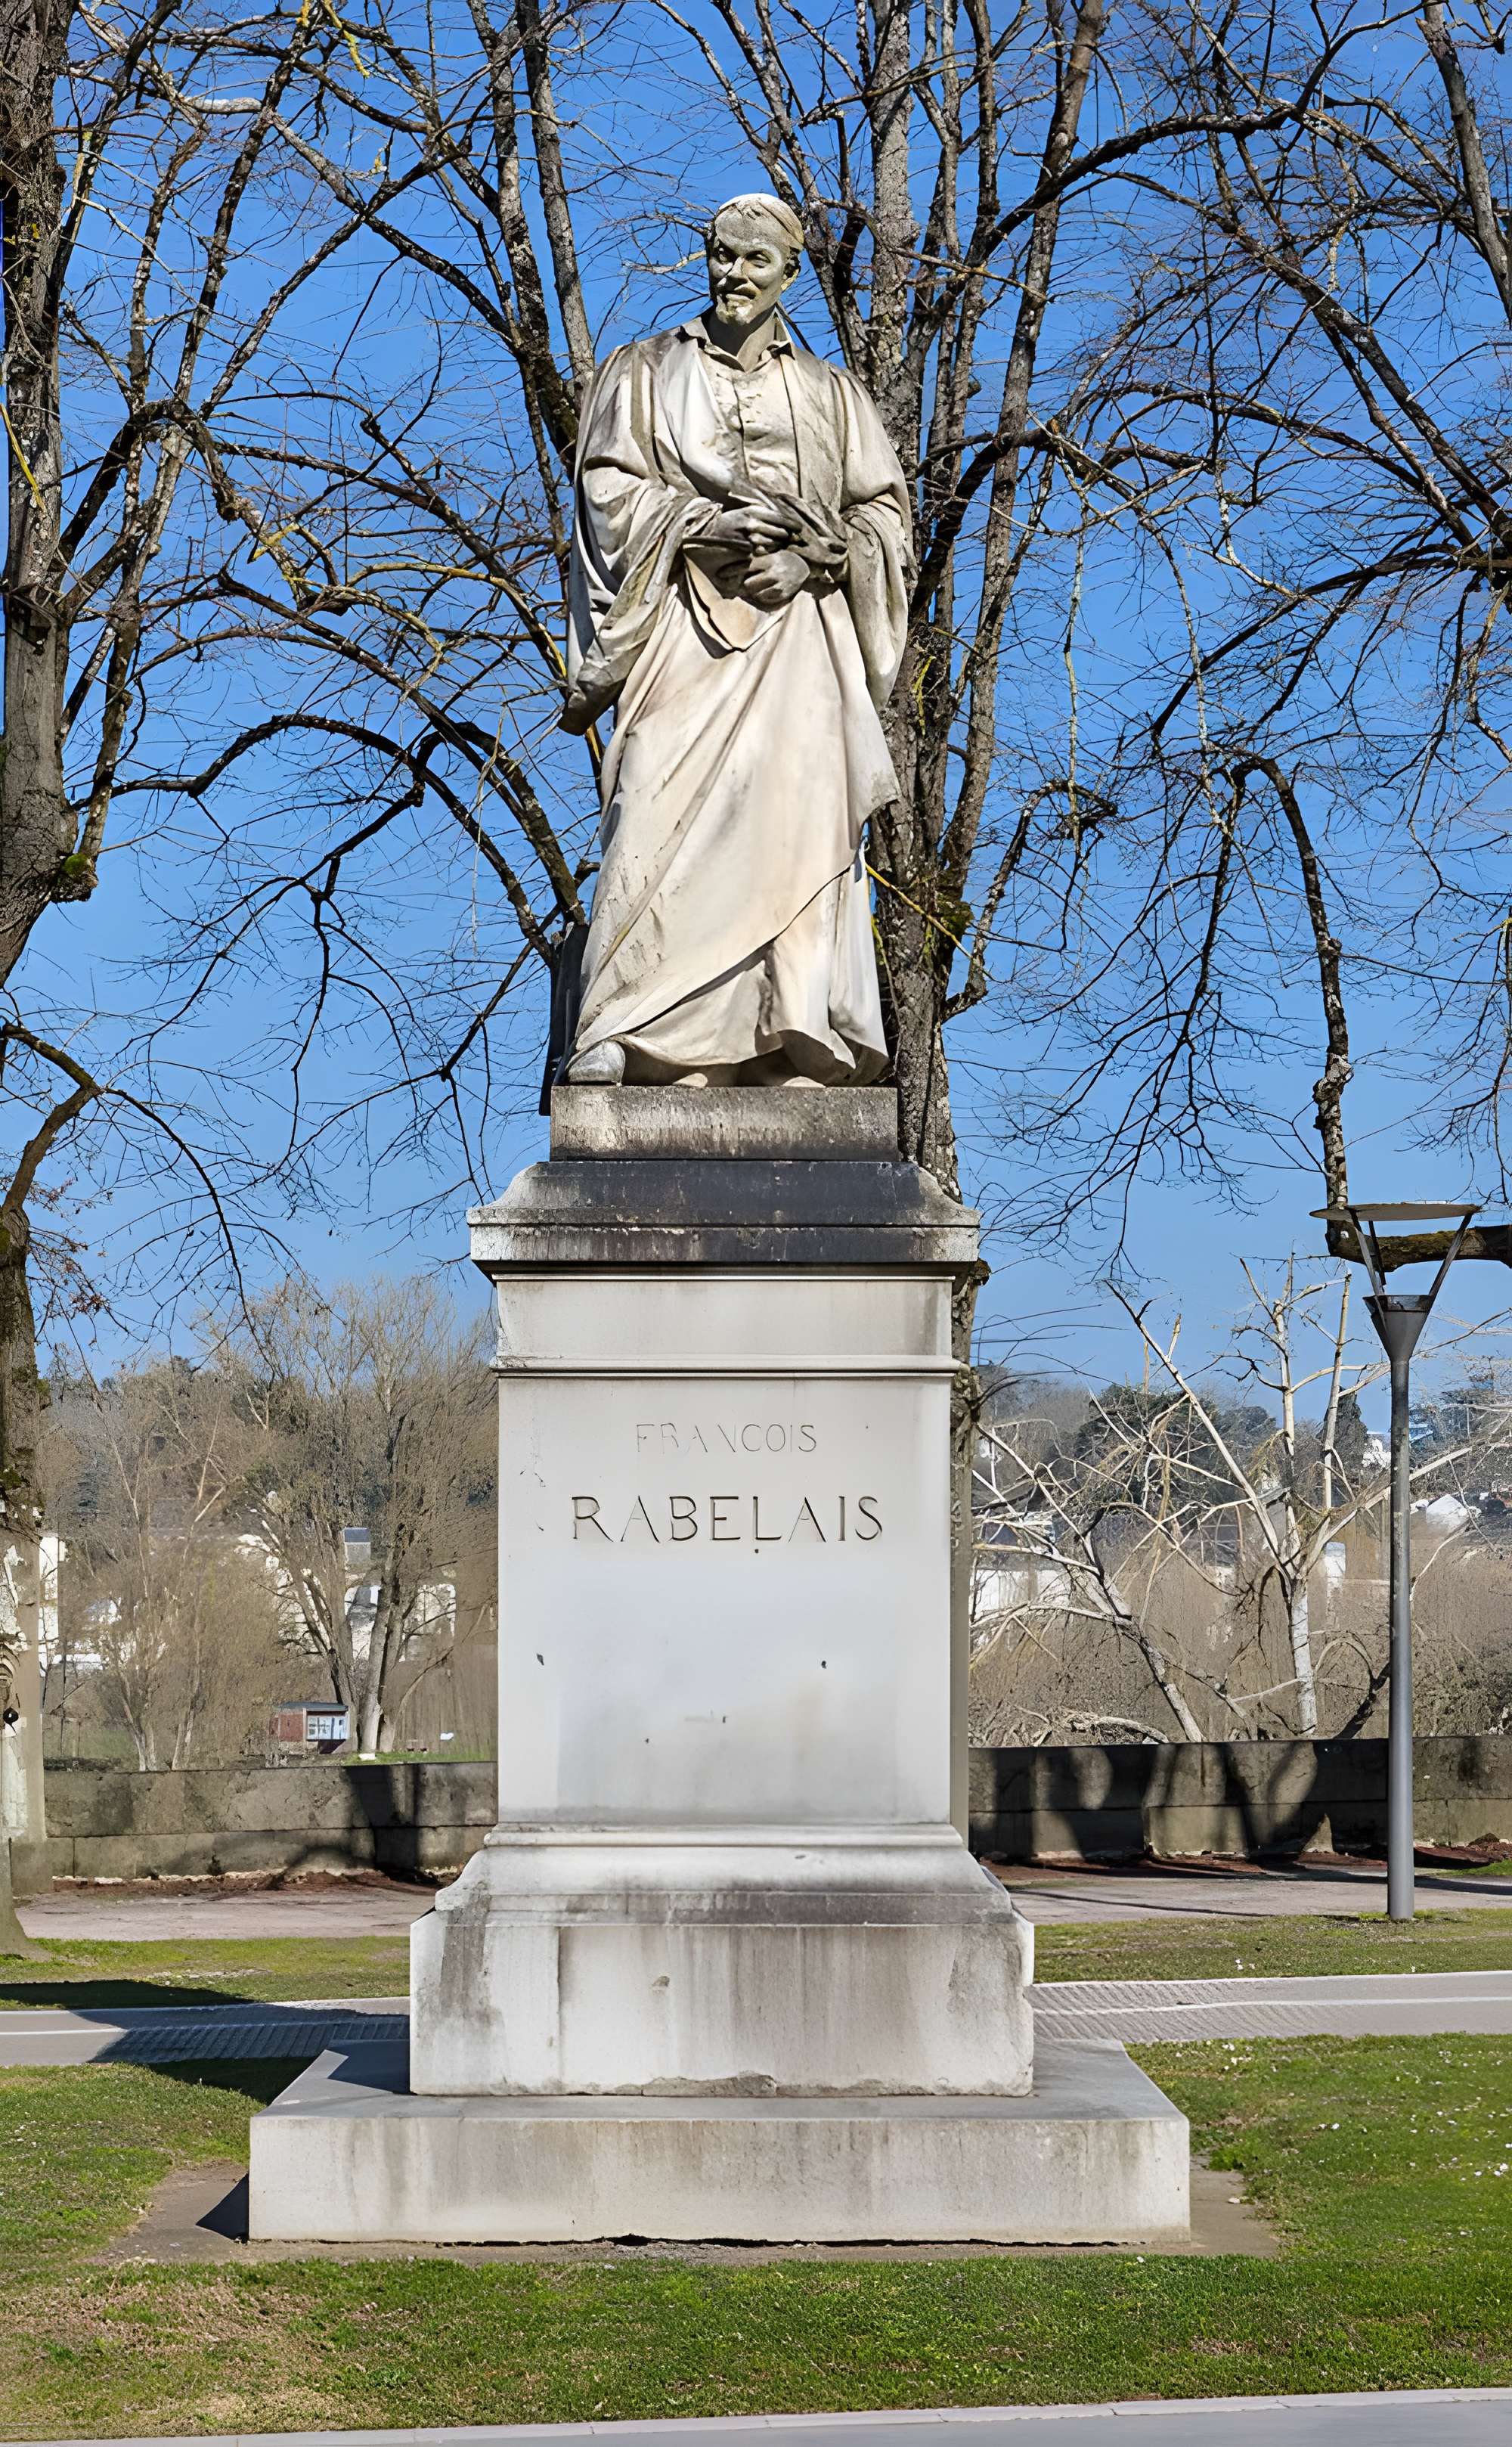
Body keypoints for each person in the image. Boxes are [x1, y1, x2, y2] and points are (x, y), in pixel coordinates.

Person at [559, 191, 914, 1087]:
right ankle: (629, 1025)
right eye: (722, 256)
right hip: (679, 627)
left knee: (795, 826)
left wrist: (819, 562)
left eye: (756, 261)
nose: (734, 275)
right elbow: (605, 490)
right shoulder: (641, 371)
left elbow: (883, 513)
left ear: (789, 273)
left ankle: (789, 1035)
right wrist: (691, 525)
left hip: (798, 642)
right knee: (650, 803)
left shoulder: (831, 394)